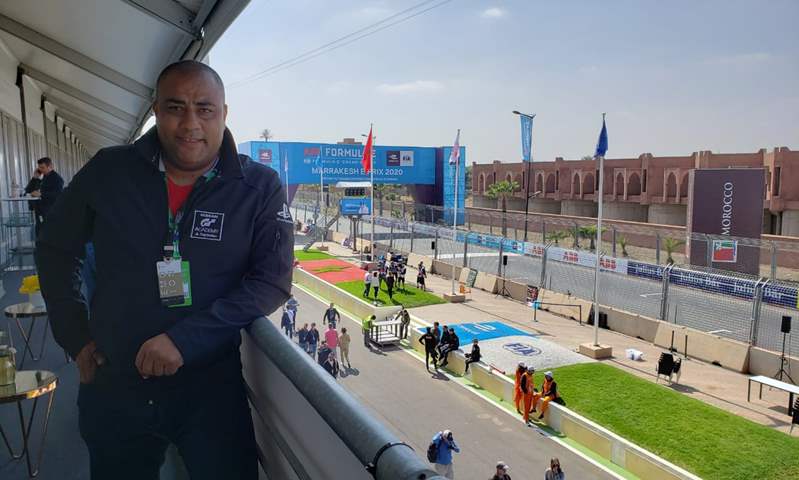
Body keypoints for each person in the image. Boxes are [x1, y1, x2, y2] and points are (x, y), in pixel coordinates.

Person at [35, 60, 293, 479]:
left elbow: (272, 280)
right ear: (156, 110)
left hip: (210, 387)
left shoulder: (258, 186)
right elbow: (55, 247)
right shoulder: (109, 170)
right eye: (175, 107)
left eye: (205, 109)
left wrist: (185, 340)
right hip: (114, 380)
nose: (190, 123)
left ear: (224, 113)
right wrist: (74, 335)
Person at [30, 157, 64, 234]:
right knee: (39, 230)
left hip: (50, 210)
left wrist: (41, 194)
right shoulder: (44, 177)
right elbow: (29, 190)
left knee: (47, 232)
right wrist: (34, 178)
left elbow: (58, 194)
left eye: (43, 167)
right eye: (39, 168)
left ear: (50, 166)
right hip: (41, 210)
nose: (41, 170)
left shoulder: (57, 179)